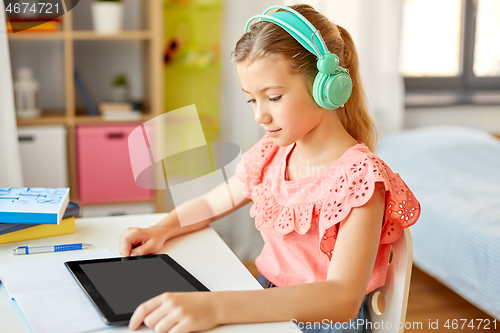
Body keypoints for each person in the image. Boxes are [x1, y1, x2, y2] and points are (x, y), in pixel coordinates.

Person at [119, 4, 421, 333]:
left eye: (273, 97)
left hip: (324, 323)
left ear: (327, 88)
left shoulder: (360, 179)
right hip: (266, 300)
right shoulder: (271, 155)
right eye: (252, 99)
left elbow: (342, 297)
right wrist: (161, 229)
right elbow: (210, 204)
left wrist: (217, 306)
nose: (259, 115)